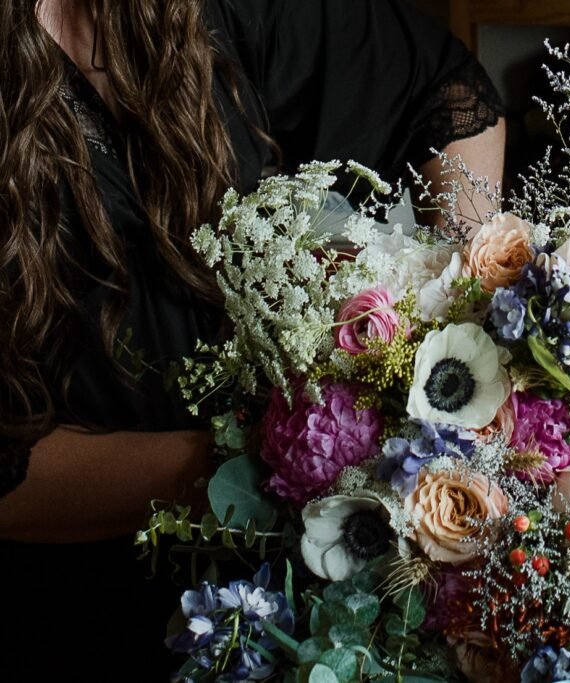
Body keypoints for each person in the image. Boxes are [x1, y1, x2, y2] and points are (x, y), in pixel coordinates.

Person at [0, 0, 505, 677]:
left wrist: (455, 330)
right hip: (90, 614)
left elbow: (447, 93)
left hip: (307, 585)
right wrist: (252, 464)